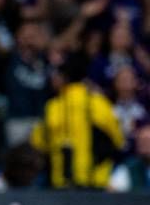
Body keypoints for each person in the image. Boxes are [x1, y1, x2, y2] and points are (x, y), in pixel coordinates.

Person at [31, 54, 124, 189]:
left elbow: (38, 142)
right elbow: (118, 140)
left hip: (62, 182)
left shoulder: (53, 106)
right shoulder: (98, 103)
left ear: (64, 78)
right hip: (96, 181)